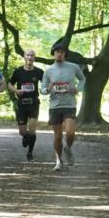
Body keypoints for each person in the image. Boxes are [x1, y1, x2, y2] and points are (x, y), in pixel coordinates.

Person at [40, 41, 86, 171]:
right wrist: (47, 89)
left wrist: (78, 89)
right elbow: (42, 89)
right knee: (58, 136)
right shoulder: (48, 71)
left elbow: (82, 79)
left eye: (62, 52)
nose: (59, 54)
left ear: (65, 54)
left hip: (69, 104)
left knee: (70, 132)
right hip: (55, 106)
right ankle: (58, 161)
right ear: (53, 54)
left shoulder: (73, 67)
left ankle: (68, 148)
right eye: (57, 52)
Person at [9, 49, 44, 161]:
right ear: (24, 57)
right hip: (22, 103)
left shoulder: (39, 72)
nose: (29, 57)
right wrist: (16, 91)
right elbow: (10, 84)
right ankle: (25, 136)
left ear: (34, 58)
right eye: (28, 55)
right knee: (22, 131)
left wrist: (47, 89)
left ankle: (30, 153)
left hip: (33, 102)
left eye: (32, 55)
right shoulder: (18, 71)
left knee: (32, 129)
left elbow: (46, 83)